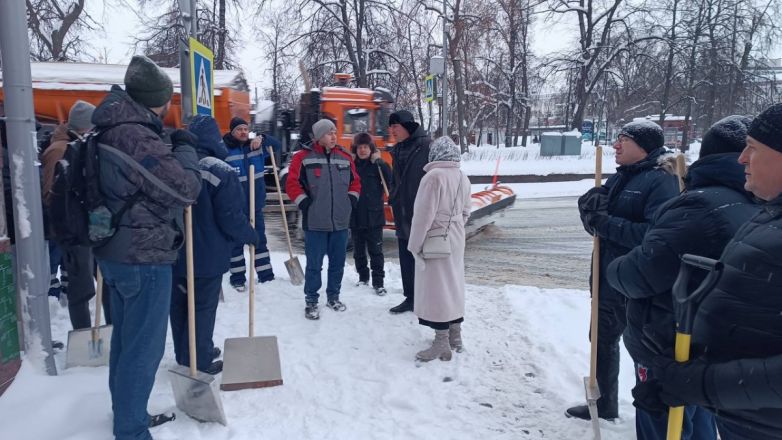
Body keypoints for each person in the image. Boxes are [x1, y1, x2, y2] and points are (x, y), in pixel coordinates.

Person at [606, 116, 759, 439]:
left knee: (665, 420)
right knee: (698, 411)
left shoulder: (695, 204)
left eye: (624, 139)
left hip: (670, 339)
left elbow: (645, 265)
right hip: (706, 340)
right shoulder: (755, 202)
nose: (615, 145)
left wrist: (615, 265)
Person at [639, 103, 782, 440]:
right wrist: (683, 370)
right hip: (745, 420)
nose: (742, 158)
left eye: (754, 148)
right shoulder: (769, 215)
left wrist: (700, 383)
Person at [91, 55, 201, 438]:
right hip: (143, 254)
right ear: (159, 99)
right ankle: (132, 430)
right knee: (143, 348)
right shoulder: (135, 134)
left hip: (117, 251)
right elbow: (183, 189)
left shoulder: (111, 125)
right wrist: (186, 149)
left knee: (126, 341)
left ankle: (127, 415)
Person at [568, 120, 680, 421]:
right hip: (607, 277)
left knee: (643, 349)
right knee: (601, 340)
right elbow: (597, 223)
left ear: (643, 147)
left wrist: (605, 224)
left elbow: (654, 235)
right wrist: (589, 209)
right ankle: (603, 404)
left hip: (638, 283)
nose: (616, 145)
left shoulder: (662, 181)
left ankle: (657, 412)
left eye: (623, 140)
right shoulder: (620, 178)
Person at [170, 115, 258, 375]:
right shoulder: (220, 170)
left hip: (174, 250)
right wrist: (250, 235)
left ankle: (185, 354)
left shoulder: (173, 164)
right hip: (207, 254)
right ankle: (200, 357)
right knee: (202, 307)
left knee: (179, 305)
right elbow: (230, 216)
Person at [286, 119, 361, 320]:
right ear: (319, 136)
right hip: (315, 222)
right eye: (329, 133)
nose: (334, 136)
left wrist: (351, 200)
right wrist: (304, 203)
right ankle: (311, 300)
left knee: (337, 263)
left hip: (341, 222)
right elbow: (292, 183)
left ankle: (333, 297)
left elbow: (355, 182)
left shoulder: (345, 157)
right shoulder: (303, 158)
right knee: (314, 264)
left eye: (335, 132)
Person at [407, 136, 471, 362]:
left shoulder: (433, 177)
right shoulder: (462, 176)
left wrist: (414, 244)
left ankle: (441, 341)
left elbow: (423, 216)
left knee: (438, 289)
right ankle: (456, 336)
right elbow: (466, 212)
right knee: (454, 285)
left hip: (435, 238)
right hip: (455, 237)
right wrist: (454, 227)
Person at [40, 100, 98, 330]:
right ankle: (83, 333)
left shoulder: (81, 146)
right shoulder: (59, 150)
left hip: (87, 225)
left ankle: (109, 330)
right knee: (80, 286)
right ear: (84, 127)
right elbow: (50, 194)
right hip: (73, 228)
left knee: (101, 282)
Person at [223, 117, 276, 290]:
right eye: (239, 129)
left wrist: (263, 138)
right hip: (235, 208)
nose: (244, 132)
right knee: (236, 244)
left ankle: (266, 277)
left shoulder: (256, 147)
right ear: (232, 132)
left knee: (259, 240)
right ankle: (238, 279)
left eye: (246, 129)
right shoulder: (224, 150)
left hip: (256, 205)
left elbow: (277, 146)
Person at [387, 110, 431, 314]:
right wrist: (393, 195)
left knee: (425, 258)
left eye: (395, 126)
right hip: (402, 209)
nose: (392, 131)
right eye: (391, 127)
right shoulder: (396, 150)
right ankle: (411, 298)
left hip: (422, 210)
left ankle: (428, 299)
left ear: (406, 125)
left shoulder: (426, 146)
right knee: (406, 256)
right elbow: (395, 180)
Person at [350, 132, 392, 295]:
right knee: (358, 251)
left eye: (365, 147)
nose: (362, 150)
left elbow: (390, 181)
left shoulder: (378, 165)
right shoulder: (351, 165)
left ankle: (378, 282)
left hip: (374, 216)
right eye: (360, 147)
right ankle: (363, 277)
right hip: (356, 215)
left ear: (371, 149)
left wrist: (380, 162)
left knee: (376, 251)